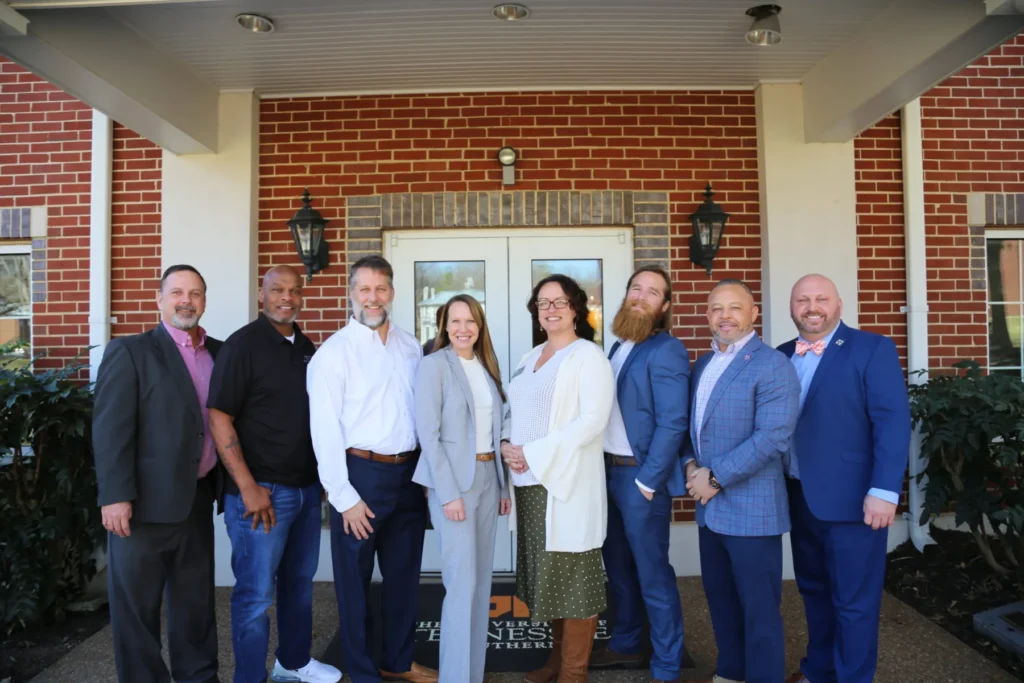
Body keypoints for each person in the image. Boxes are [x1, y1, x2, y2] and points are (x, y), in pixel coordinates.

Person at [306, 255, 437, 683]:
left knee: (403, 577)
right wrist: (344, 498)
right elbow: (323, 431)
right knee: (354, 582)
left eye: (381, 289)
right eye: (364, 289)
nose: (373, 298)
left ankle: (397, 661)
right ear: (351, 294)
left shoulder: (409, 345)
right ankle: (362, 672)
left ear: (393, 293)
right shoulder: (332, 355)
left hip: (407, 476)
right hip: (359, 476)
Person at [207, 265, 340, 683]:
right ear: (261, 295)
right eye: (277, 289)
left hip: (304, 491)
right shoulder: (242, 346)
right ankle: (250, 676)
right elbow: (218, 416)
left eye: (294, 290)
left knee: (298, 585)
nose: (287, 297)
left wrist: (317, 480)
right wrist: (247, 486)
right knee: (255, 596)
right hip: (260, 495)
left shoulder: (305, 346)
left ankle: (294, 662)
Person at [92, 264, 223, 683]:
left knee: (196, 607)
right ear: (160, 300)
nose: (187, 300)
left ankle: (199, 677)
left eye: (196, 293)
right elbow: (111, 429)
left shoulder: (219, 352)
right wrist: (114, 496)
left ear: (205, 300)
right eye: (177, 292)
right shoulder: (130, 351)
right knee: (137, 611)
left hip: (198, 499)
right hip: (141, 507)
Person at [777, 274, 910, 683]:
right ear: (791, 307)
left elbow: (892, 421)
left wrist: (885, 491)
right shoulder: (781, 354)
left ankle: (853, 677)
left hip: (856, 501)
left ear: (838, 305)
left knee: (854, 602)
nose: (811, 307)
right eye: (802, 299)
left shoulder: (872, 348)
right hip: (798, 496)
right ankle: (819, 669)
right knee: (814, 592)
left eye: (820, 299)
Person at [683, 279, 801, 683]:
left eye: (734, 308)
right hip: (709, 511)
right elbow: (692, 430)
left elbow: (773, 436)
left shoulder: (772, 364)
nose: (725, 316)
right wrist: (689, 468)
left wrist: (714, 477)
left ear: (753, 314)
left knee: (760, 611)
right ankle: (731, 673)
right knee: (721, 601)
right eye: (716, 308)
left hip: (752, 509)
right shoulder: (701, 364)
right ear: (707, 316)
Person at [500, 274, 615, 683]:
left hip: (567, 485)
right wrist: (506, 444)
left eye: (560, 302)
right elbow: (514, 411)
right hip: (530, 484)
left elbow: (592, 422)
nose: (551, 309)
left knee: (575, 579)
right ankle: (555, 660)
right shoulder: (529, 358)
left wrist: (531, 451)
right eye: (543, 302)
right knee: (547, 579)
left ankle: (573, 672)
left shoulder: (588, 357)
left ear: (576, 308)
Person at [589, 266, 690, 683]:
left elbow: (673, 422)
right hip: (607, 474)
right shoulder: (616, 346)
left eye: (652, 293)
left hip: (638, 479)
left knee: (652, 573)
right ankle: (628, 641)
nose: (640, 296)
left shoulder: (666, 350)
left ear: (664, 306)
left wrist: (649, 482)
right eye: (636, 288)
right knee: (618, 569)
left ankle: (667, 664)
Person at [412, 294, 512, 683]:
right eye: (455, 321)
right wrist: (448, 493)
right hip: (453, 484)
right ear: (444, 326)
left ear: (480, 325)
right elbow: (429, 435)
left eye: (470, 320)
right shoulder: (434, 366)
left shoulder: (487, 366)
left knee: (481, 581)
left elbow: (493, 430)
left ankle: (473, 673)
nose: (463, 328)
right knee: (461, 584)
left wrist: (502, 487)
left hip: (489, 478)